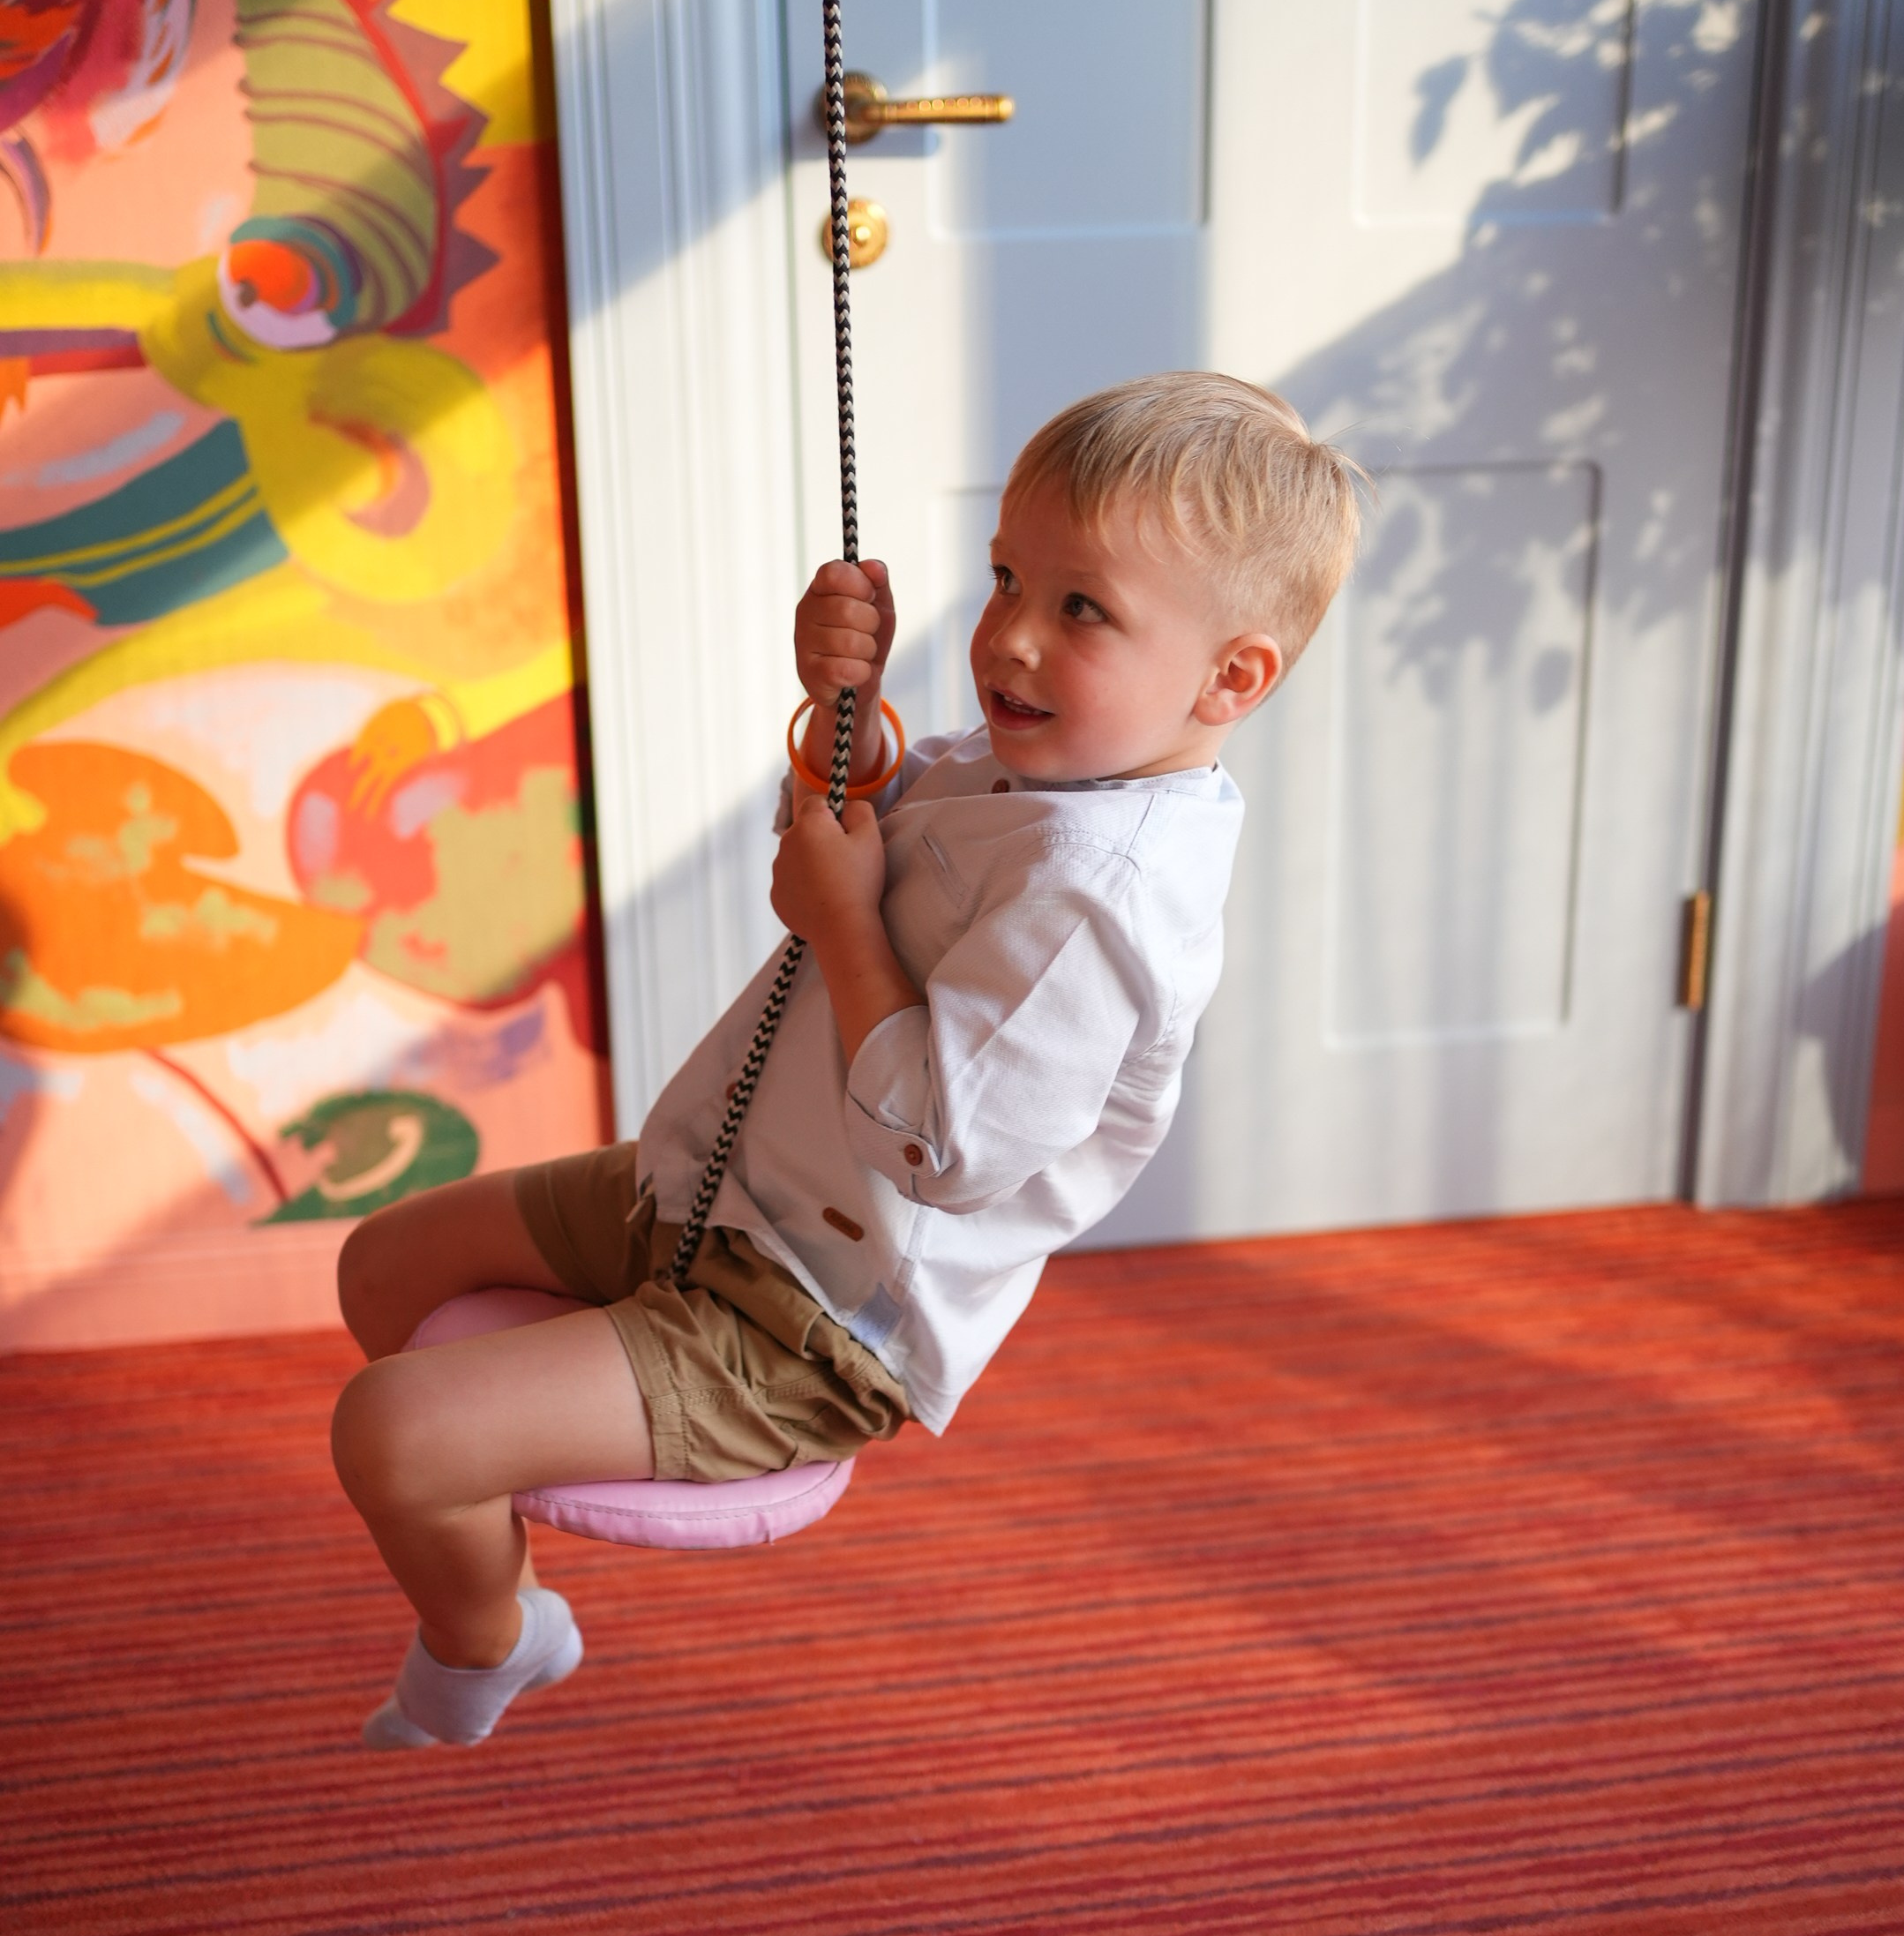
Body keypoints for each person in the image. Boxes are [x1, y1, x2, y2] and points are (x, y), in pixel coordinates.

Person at [332, 371, 1364, 1745]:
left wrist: (837, 914)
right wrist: (847, 711)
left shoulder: (1105, 895)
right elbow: (895, 793)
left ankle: (491, 1640)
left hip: (813, 1314)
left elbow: (951, 1148)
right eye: (1009, 577)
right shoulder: (1055, 770)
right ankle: (528, 1446)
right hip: (711, 1180)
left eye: (1080, 609)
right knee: (381, 1270)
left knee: (391, 1432)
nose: (1008, 638)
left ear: (1232, 676)